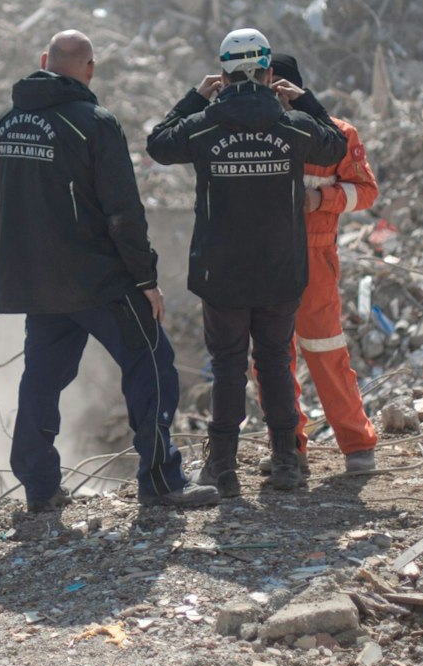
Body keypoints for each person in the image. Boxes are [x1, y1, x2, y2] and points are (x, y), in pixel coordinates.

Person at [0, 30, 220, 513]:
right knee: (153, 364)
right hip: (101, 281)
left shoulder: (3, 126)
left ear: (45, 60)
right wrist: (146, 279)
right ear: (89, 69)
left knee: (42, 380)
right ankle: (161, 481)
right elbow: (123, 212)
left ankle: (40, 487)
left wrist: (19, 267)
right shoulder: (94, 123)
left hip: (37, 284)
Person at [145, 28, 347, 495]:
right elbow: (335, 145)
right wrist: (306, 101)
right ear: (268, 72)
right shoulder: (293, 126)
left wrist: (195, 98)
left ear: (224, 74)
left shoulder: (205, 127)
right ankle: (286, 462)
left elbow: (158, 143)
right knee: (275, 363)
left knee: (228, 365)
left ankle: (223, 468)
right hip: (280, 271)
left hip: (222, 274)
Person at [265, 53, 380, 475]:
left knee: (325, 350)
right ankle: (288, 448)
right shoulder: (254, 132)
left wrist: (321, 200)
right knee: (272, 359)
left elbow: (365, 191)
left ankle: (356, 445)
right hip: (266, 257)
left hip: (314, 256)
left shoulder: (335, 134)